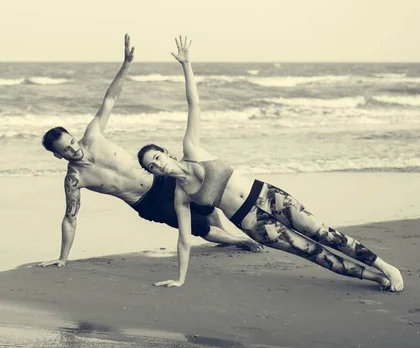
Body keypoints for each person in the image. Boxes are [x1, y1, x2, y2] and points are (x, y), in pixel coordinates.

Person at [137, 35, 404, 292]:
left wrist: (186, 64)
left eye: (157, 158)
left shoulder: (192, 150)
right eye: (151, 167)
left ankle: (387, 267)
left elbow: (193, 103)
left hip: (268, 195)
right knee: (313, 253)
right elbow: (184, 240)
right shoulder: (181, 196)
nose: (157, 166)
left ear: (167, 153)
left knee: (323, 233)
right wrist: (180, 279)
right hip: (251, 223)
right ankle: (374, 278)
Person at [38, 34, 262, 268]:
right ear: (58, 155)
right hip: (147, 203)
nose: (73, 149)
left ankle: (225, 236)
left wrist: (126, 64)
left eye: (71, 142)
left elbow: (111, 98)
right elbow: (70, 217)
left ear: (73, 137)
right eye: (66, 150)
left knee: (206, 206)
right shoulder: (74, 179)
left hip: (161, 179)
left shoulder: (93, 134)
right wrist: (63, 258)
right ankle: (238, 241)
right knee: (197, 226)